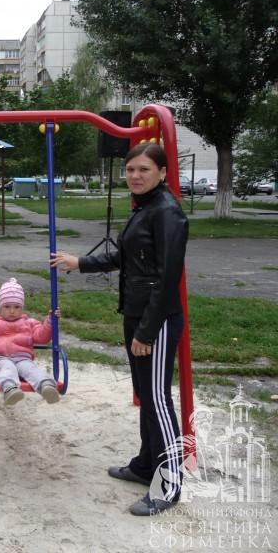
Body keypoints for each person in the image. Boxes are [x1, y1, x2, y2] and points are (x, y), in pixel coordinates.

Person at [50, 142, 188, 517]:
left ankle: (170, 484)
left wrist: (147, 332)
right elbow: (125, 258)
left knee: (157, 399)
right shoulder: (145, 208)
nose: (135, 176)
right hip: (137, 314)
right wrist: (80, 262)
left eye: (144, 169)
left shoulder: (167, 213)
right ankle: (146, 464)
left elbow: (168, 278)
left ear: (162, 172)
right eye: (130, 170)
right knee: (145, 394)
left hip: (156, 320)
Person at [0, 277, 61, 405]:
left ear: (22, 308)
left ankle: (46, 386)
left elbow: (42, 337)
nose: (12, 311)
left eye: (17, 307)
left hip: (23, 358)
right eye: (7, 306)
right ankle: (10, 389)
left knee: (31, 369)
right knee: (7, 369)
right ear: (0, 307)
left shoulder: (29, 323)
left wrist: (50, 322)